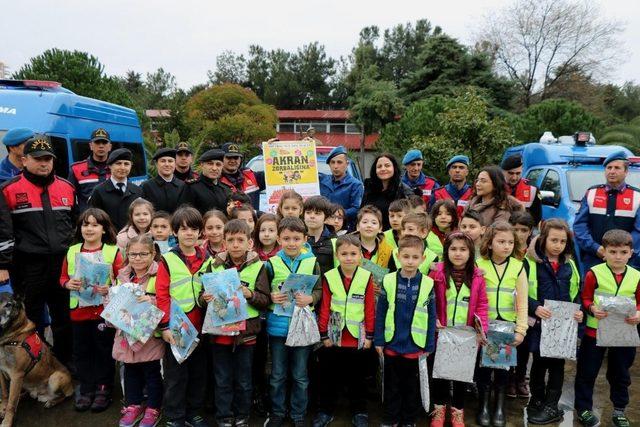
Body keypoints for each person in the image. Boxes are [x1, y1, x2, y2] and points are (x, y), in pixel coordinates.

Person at [0, 134, 77, 364]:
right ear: (24, 160)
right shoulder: (8, 190)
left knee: (64, 316)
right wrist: (3, 264)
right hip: (28, 267)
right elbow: (3, 231)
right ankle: (34, 364)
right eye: (38, 159)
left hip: (62, 265)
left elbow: (75, 226)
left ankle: (65, 361)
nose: (44, 163)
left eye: (48, 159)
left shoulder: (67, 187)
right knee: (32, 319)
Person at [203, 219, 271, 427]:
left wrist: (250, 293)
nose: (235, 245)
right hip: (220, 332)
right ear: (224, 242)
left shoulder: (259, 267)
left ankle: (242, 414)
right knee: (222, 378)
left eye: (240, 240)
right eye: (230, 240)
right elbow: (201, 295)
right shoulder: (212, 265)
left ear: (250, 243)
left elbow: (265, 300)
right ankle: (224, 415)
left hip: (247, 334)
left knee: (243, 379)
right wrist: (203, 298)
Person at [574, 229, 640, 427]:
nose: (617, 257)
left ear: (631, 252)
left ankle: (619, 410)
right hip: (595, 332)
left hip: (624, 333)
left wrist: (638, 313)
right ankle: (584, 409)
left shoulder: (637, 276)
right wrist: (592, 308)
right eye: (612, 252)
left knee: (620, 373)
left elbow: (639, 303)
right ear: (604, 251)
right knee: (587, 371)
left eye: (622, 252)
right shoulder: (594, 273)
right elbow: (584, 298)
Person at [60, 208, 123, 412]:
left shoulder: (113, 251)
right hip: (79, 312)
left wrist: (110, 288)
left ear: (104, 229)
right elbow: (62, 277)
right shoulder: (72, 250)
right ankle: (86, 388)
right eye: (85, 224)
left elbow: (122, 281)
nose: (89, 228)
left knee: (103, 350)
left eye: (95, 224)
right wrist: (68, 284)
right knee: (82, 351)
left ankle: (104, 388)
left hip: (103, 313)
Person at [155, 207, 212, 427]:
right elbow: (161, 294)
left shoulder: (207, 258)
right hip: (176, 328)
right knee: (176, 376)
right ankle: (175, 416)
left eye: (194, 229)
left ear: (200, 233)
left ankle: (193, 413)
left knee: (198, 373)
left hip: (200, 326)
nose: (189, 233)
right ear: (175, 232)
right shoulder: (167, 259)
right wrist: (165, 327)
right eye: (183, 229)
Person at [264, 217, 322, 427]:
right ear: (278, 239)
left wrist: (311, 299)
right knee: (278, 375)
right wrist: (271, 296)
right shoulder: (271, 263)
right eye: (286, 238)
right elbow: (263, 291)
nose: (291, 243)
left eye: (296, 238)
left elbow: (319, 290)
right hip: (279, 327)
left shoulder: (312, 261)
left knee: (300, 375)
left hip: (303, 328)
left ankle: (298, 414)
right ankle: (278, 412)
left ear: (305, 239)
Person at [374, 235, 437, 427]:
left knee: (411, 386)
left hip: (415, 345)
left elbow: (431, 316)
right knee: (392, 385)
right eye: (406, 256)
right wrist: (378, 340)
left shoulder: (428, 283)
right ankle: (391, 417)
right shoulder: (389, 280)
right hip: (392, 343)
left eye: (415, 257)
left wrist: (429, 343)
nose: (410, 261)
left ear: (423, 258)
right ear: (398, 256)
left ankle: (409, 419)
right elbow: (381, 312)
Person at [524, 219, 582, 425]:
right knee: (538, 363)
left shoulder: (570, 265)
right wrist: (534, 307)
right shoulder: (530, 262)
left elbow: (577, 292)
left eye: (563, 241)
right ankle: (537, 399)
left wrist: (579, 311)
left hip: (563, 327)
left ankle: (552, 405)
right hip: (540, 324)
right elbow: (521, 291)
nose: (558, 245)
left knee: (557, 365)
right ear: (543, 239)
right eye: (554, 240)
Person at [315, 234, 375, 427]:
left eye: (353, 254)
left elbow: (369, 309)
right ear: (337, 255)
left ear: (360, 256)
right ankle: (325, 411)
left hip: (358, 337)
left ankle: (360, 412)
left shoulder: (366, 277)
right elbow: (324, 307)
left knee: (358, 378)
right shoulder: (330, 276)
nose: (349, 257)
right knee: (329, 377)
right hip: (333, 337)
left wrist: (370, 336)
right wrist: (323, 334)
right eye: (344, 254)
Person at [430, 232, 489, 427]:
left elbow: (482, 305)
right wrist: (434, 320)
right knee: (439, 375)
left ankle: (457, 412)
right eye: (453, 249)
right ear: (446, 251)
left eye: (463, 249)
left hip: (466, 337)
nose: (458, 253)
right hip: (441, 334)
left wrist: (482, 330)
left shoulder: (478, 276)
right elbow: (429, 301)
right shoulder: (437, 273)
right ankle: (439, 411)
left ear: (470, 253)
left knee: (461, 377)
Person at [475, 221, 529, 427]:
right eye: (501, 242)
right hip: (485, 327)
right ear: (489, 243)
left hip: (507, 326)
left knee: (502, 369)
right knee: (483, 369)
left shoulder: (518, 267)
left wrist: (521, 330)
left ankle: (499, 407)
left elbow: (522, 301)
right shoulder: (479, 265)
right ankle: (484, 406)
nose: (506, 246)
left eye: (510, 242)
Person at [114, 234, 164, 427]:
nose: (137, 258)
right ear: (127, 254)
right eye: (133, 254)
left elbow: (167, 300)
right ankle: (133, 405)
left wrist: (150, 300)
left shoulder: (159, 274)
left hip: (149, 335)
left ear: (153, 254)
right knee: (130, 370)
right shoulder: (123, 275)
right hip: (126, 333)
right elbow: (113, 300)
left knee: (152, 372)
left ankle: (153, 407)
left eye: (143, 254)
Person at [573, 150, 640, 271]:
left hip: (626, 261)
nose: (612, 171)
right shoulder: (592, 193)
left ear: (626, 171)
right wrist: (595, 248)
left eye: (617, 168)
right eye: (609, 167)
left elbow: (638, 231)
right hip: (594, 258)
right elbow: (579, 225)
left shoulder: (637, 197)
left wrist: (620, 252)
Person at [507, 210, 536, 399]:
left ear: (530, 231)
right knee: (507, 344)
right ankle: (508, 379)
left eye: (523, 230)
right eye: (515, 229)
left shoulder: (534, 255)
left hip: (529, 307)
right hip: (507, 306)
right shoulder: (505, 249)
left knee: (524, 345)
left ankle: (520, 378)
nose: (518, 234)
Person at [89, 148, 144, 231]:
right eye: (118, 163)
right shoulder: (99, 191)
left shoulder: (137, 191)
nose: (122, 167)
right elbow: (94, 218)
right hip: (109, 239)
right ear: (110, 166)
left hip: (133, 239)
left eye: (126, 164)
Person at [362, 153, 415, 230]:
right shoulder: (369, 188)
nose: (383, 169)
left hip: (395, 234)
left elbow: (411, 217)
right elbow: (361, 212)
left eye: (387, 165)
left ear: (394, 168)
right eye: (379, 166)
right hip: (371, 232)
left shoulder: (403, 190)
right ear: (375, 170)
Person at [319, 145, 364, 231]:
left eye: (339, 162)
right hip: (323, 229)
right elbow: (307, 171)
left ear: (347, 164)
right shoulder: (322, 180)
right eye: (332, 162)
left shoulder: (355, 184)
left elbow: (356, 209)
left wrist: (336, 215)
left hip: (344, 230)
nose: (335, 166)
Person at [68, 128, 112, 212]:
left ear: (110, 146)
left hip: (111, 221)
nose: (101, 146)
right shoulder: (76, 169)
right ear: (91, 146)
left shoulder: (117, 168)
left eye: (104, 142)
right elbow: (71, 199)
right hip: (88, 222)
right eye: (97, 142)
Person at [180, 148, 231, 215]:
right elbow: (185, 215)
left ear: (222, 166)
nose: (214, 168)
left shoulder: (225, 189)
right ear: (202, 165)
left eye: (218, 164)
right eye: (210, 164)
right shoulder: (191, 187)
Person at [219, 142, 264, 211]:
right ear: (221, 159)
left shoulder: (253, 176)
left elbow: (274, 173)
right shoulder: (216, 181)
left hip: (252, 221)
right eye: (229, 157)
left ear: (240, 159)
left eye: (236, 157)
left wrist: (272, 148)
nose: (233, 160)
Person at [141, 147, 185, 214]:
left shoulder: (183, 186)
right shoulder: (147, 186)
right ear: (156, 164)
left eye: (170, 161)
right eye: (163, 161)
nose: (167, 164)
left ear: (175, 164)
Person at [501, 154, 542, 225]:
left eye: (518, 173)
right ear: (503, 171)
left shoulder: (532, 188)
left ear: (522, 170)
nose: (514, 177)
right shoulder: (495, 186)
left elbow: (537, 218)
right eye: (510, 173)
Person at [303, 195, 336, 276]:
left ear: (326, 218)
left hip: (327, 286)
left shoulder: (335, 241)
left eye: (317, 213)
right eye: (308, 212)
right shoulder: (297, 239)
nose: (312, 216)